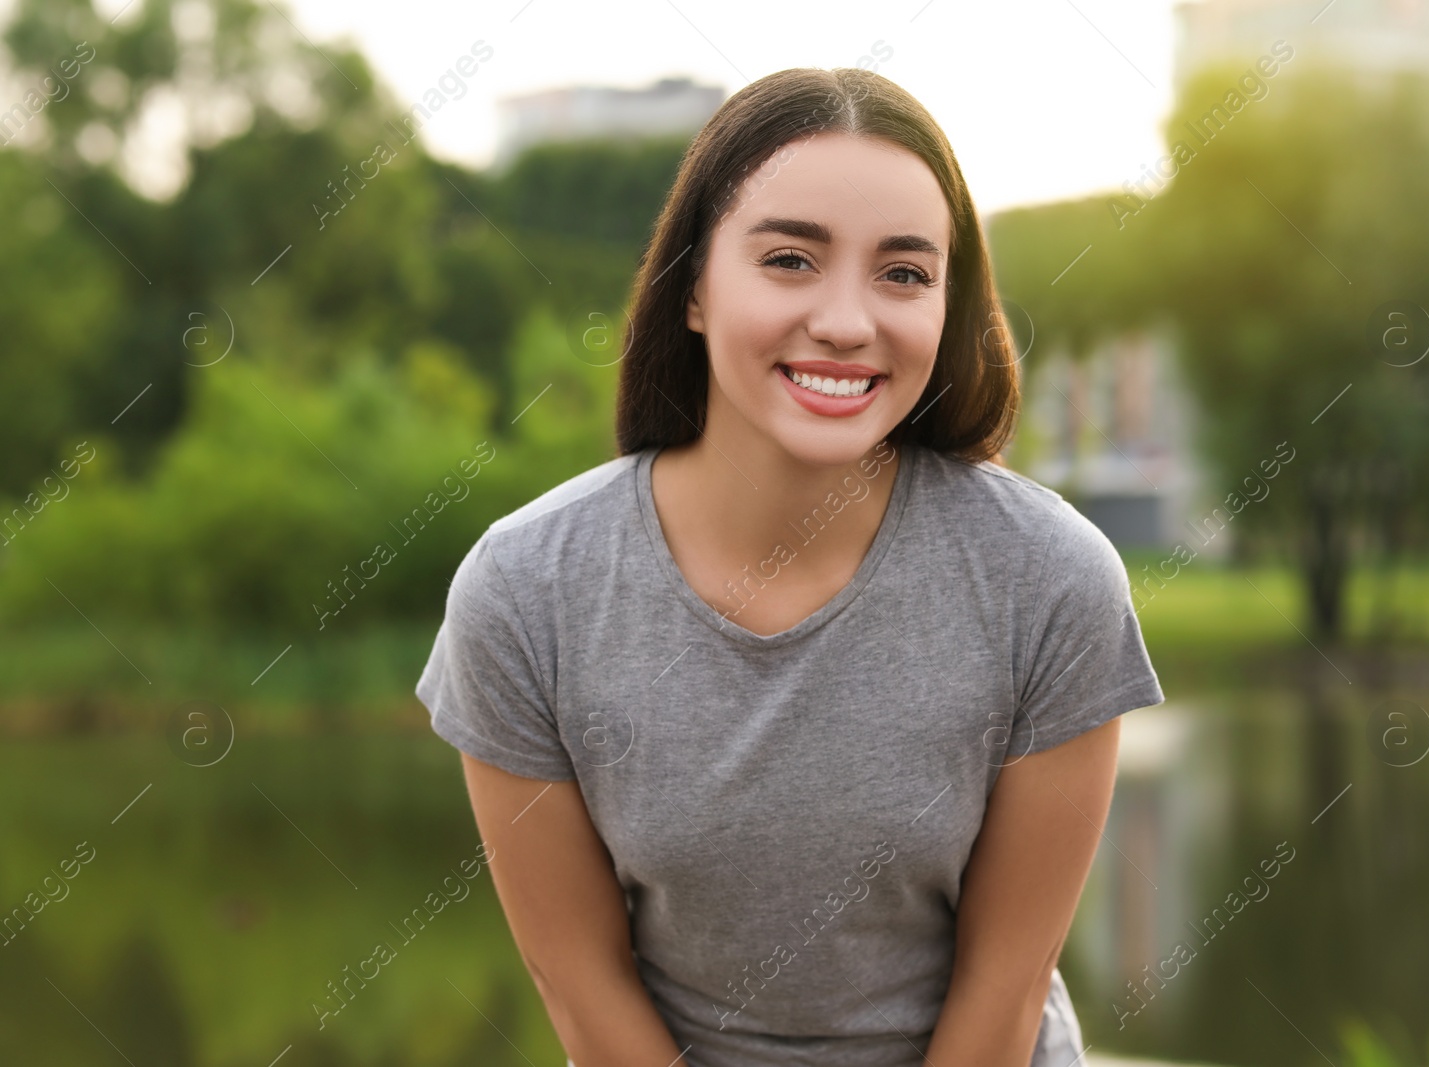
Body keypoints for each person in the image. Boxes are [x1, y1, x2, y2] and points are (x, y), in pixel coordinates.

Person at [415, 65, 1164, 1067]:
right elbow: (579, 979)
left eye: (903, 273)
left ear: (947, 309)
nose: (847, 321)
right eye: (789, 260)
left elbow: (1006, 985)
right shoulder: (525, 592)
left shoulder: (1049, 578)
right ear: (692, 287)